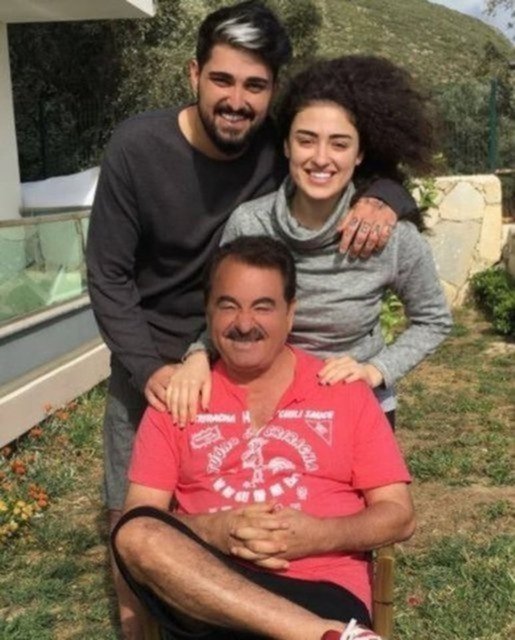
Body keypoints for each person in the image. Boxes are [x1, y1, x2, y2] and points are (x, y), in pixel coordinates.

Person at [86, 4, 419, 634]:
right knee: (129, 522)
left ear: (272, 92)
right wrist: (154, 370)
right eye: (222, 80)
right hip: (151, 357)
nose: (236, 100)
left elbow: (356, 160)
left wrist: (386, 197)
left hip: (250, 347)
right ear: (194, 74)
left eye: (255, 85)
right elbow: (108, 275)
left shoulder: (276, 144)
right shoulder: (138, 148)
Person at [112, 236, 415, 640]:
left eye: (263, 307)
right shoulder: (179, 398)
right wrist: (214, 530)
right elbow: (140, 520)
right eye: (228, 305)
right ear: (208, 311)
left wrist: (319, 535)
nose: (244, 323)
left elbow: (399, 515)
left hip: (320, 586)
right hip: (205, 589)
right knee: (134, 532)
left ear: (291, 314)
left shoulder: (343, 392)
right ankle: (321, 635)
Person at [166, 54, 453, 429]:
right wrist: (198, 355)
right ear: (286, 146)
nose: (321, 158)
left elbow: (433, 320)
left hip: (357, 411)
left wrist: (375, 370)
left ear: (360, 154)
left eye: (339, 144)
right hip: (267, 408)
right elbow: (224, 309)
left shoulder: (388, 234)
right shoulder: (250, 223)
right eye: (306, 140)